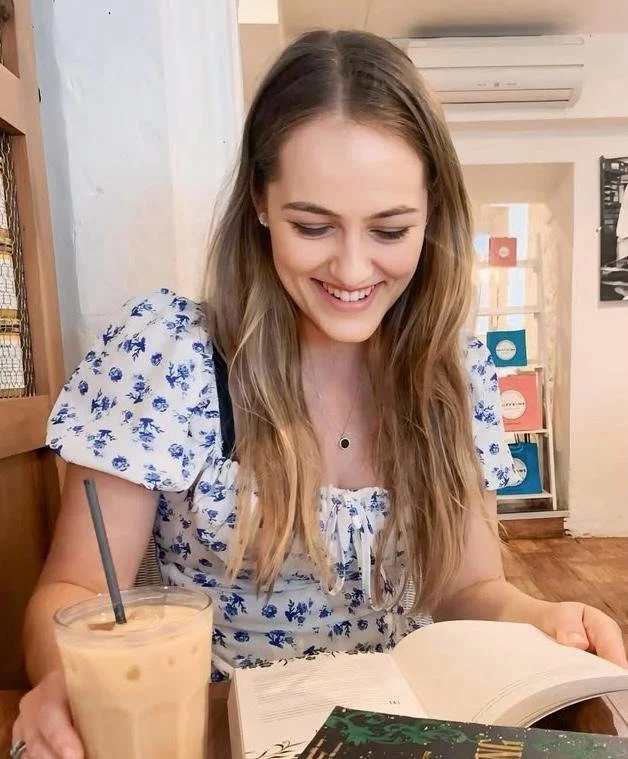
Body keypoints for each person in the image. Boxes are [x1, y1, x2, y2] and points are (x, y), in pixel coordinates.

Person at [12, 29, 626, 759]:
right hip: (209, 735)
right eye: (312, 225)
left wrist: (539, 614)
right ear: (259, 202)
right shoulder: (168, 353)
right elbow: (70, 593)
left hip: (400, 735)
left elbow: (470, 588)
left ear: (432, 214)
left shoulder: (450, 370)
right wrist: (67, 679)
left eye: (391, 229)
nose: (354, 267)